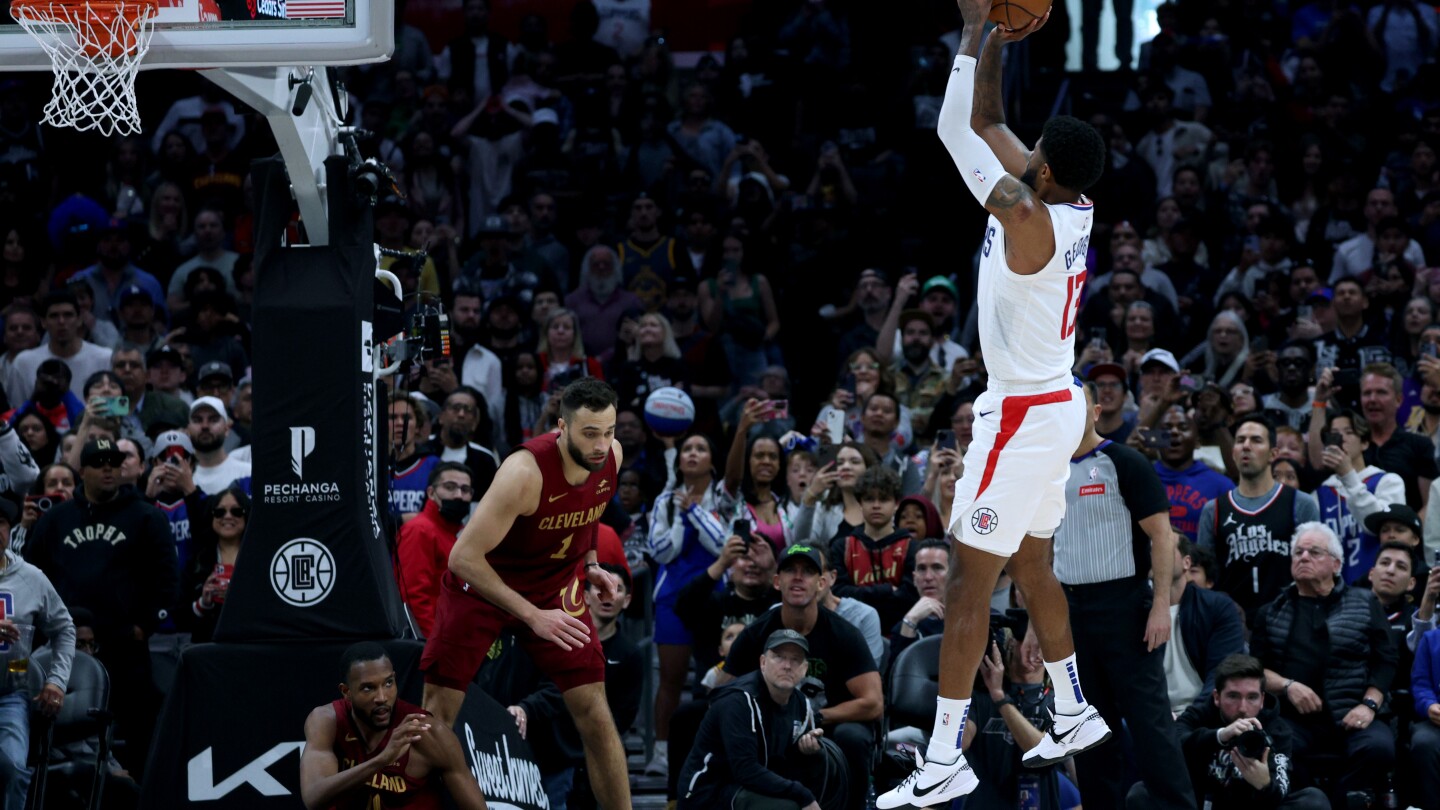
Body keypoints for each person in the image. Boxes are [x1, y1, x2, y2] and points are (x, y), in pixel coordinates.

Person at [880, 0, 1113, 803]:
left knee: (968, 587)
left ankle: (944, 760)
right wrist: (993, 41)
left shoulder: (1022, 213)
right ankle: (1075, 707)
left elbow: (953, 131)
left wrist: (977, 24)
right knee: (1035, 561)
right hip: (1053, 405)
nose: (1023, 150)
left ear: (1040, 173)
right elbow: (986, 116)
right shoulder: (1069, 200)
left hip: (1021, 415)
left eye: (1032, 152)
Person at [420, 379, 631, 810]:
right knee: (435, 716)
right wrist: (534, 616)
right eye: (590, 433)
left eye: (608, 432)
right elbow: (462, 558)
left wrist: (590, 563)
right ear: (561, 427)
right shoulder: (523, 472)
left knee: (594, 709)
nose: (600, 444)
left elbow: (590, 506)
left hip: (553, 585)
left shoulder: (611, 456)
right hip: (481, 584)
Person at [1050, 381, 1195, 810]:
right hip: (1070, 610)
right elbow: (1040, 550)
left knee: (1150, 726)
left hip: (1125, 605)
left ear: (1094, 411)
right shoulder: (1047, 470)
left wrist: (1161, 606)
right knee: (1090, 726)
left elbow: (1162, 536)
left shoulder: (1124, 461)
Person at [25, 438, 177, 775]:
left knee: (138, 729)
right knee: (59, 729)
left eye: (114, 461)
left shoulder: (146, 517)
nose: (108, 468)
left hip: (125, 643)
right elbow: (33, 575)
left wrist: (145, 626)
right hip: (67, 647)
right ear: (83, 471)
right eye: (99, 462)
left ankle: (139, 794)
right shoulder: (57, 520)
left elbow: (165, 577)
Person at [713, 545, 881, 810]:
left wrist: (817, 718)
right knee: (692, 718)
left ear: (822, 583)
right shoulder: (756, 632)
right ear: (777, 582)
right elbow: (721, 695)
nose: (798, 577)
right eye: (790, 570)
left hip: (830, 722)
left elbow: (873, 703)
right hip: (770, 723)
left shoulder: (844, 634)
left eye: (808, 571)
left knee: (854, 737)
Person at [1250, 522, 1397, 804]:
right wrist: (1287, 685)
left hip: (1353, 712)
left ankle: (1342, 800)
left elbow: (1386, 661)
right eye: (1298, 552)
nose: (1303, 557)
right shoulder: (1271, 611)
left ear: (1336, 564)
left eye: (1314, 552)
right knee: (1278, 745)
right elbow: (1254, 670)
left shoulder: (1365, 602)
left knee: (1379, 747)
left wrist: (1369, 705)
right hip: (1293, 719)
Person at [299, 643, 487, 810]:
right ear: (346, 692)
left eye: (388, 683)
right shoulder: (327, 721)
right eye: (368, 688)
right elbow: (313, 798)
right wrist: (382, 759)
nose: (382, 697)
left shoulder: (427, 732)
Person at [677, 629, 843, 810]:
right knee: (786, 806)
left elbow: (783, 760)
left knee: (825, 762)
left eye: (795, 659)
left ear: (804, 669)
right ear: (763, 662)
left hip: (750, 786)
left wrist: (808, 747)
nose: (787, 665)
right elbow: (745, 770)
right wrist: (804, 796)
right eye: (779, 657)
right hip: (710, 792)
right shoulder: (738, 700)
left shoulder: (801, 702)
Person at [1140, 654, 1329, 810]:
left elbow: (1280, 791)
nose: (1242, 708)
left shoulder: (1277, 730)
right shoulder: (1201, 713)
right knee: (1141, 793)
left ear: (1263, 699)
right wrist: (1220, 735)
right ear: (1216, 697)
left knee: (1313, 800)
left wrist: (1264, 785)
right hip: (1200, 803)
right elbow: (1174, 740)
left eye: (1252, 697)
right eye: (1233, 696)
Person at [1197, 415, 1321, 625]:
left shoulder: (1301, 503)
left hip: (1289, 621)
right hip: (1231, 624)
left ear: (1273, 453)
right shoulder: (1213, 509)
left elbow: (1318, 570)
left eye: (1256, 440)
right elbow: (1201, 576)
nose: (1246, 446)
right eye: (1240, 440)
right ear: (1233, 452)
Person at [0, 495, 74, 810]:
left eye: (0, 523)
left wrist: (57, 680)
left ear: (9, 528)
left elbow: (65, 629)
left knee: (14, 767)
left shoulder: (30, 577)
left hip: (9, 693)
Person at [1305, 407, 1405, 582]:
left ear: (1365, 443)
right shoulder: (1319, 494)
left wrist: (1348, 475)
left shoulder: (1388, 482)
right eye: (1334, 433)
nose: (1341, 438)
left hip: (1377, 584)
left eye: (1349, 432)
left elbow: (1380, 527)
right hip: (1332, 590)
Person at [1165, 537, 1246, 714]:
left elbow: (1222, 673)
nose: (1155, 555)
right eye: (1150, 551)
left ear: (1186, 562)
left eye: (1164, 547)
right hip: (1153, 716)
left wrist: (1190, 719)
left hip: (1204, 714)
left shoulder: (1218, 607)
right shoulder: (1134, 612)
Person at [396, 462, 475, 638]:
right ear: (431, 493)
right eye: (450, 487)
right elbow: (414, 598)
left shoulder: (449, 533)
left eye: (465, 490)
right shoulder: (420, 531)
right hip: (431, 642)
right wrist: (435, 645)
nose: (459, 496)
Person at [1150, 405, 1234, 542]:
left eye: (1183, 428)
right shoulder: (1140, 480)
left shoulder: (1221, 486)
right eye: (1166, 428)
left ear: (1197, 442)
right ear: (1156, 439)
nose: (1174, 432)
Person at [181, 487, 248, 643]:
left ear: (247, 516)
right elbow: (180, 615)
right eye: (220, 512)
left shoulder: (258, 559)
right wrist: (203, 603)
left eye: (236, 511)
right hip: (207, 645)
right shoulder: (197, 561)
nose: (228, 517)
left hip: (248, 645)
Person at [186, 396, 250, 495]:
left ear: (227, 428)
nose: (205, 426)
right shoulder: (179, 478)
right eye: (197, 420)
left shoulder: (247, 473)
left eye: (213, 420)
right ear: (188, 429)